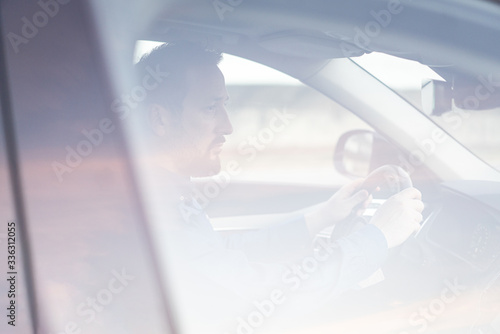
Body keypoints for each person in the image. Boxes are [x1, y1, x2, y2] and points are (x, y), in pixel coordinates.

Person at [133, 41, 424, 333]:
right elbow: (266, 296)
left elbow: (219, 254)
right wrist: (379, 236)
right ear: (160, 119)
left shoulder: (166, 194)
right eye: (211, 108)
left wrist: (320, 218)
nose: (228, 126)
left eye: (225, 106)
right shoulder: (157, 212)